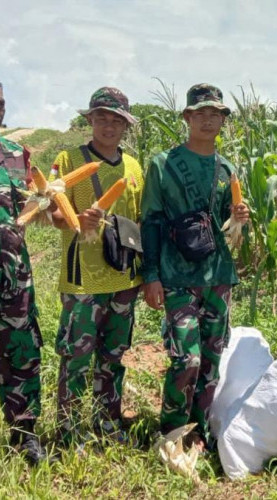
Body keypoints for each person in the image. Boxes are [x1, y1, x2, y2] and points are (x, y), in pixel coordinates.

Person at [141, 83, 249, 451]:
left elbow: (224, 226)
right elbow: (151, 221)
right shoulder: (162, 164)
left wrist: (237, 218)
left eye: (215, 113)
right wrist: (151, 275)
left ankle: (199, 432)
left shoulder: (226, 168)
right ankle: (172, 431)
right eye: (200, 113)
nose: (208, 119)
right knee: (186, 358)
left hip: (217, 275)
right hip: (176, 275)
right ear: (187, 117)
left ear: (222, 120)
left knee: (212, 360)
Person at [50, 87, 144, 442]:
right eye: (101, 117)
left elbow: (139, 220)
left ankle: (108, 423)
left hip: (124, 277)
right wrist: (76, 220)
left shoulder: (134, 166)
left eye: (116, 120)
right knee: (76, 357)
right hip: (83, 281)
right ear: (89, 120)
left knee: (114, 356)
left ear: (126, 126)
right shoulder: (70, 159)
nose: (108, 125)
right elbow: (52, 209)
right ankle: (68, 431)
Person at [0, 83, 48, 464]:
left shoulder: (17, 155)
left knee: (23, 350)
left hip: (14, 276)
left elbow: (32, 208)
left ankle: (24, 434)